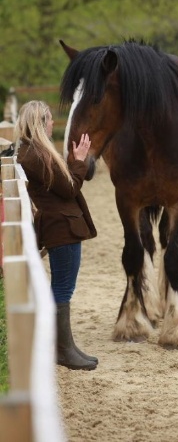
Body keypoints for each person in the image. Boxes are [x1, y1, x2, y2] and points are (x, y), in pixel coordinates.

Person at [14, 100, 98, 371]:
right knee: (63, 289)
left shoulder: (33, 152)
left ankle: (66, 347)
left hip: (60, 225)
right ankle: (62, 351)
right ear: (40, 122)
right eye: (49, 119)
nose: (53, 124)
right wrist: (80, 161)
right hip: (62, 228)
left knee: (62, 288)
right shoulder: (38, 155)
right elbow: (70, 188)